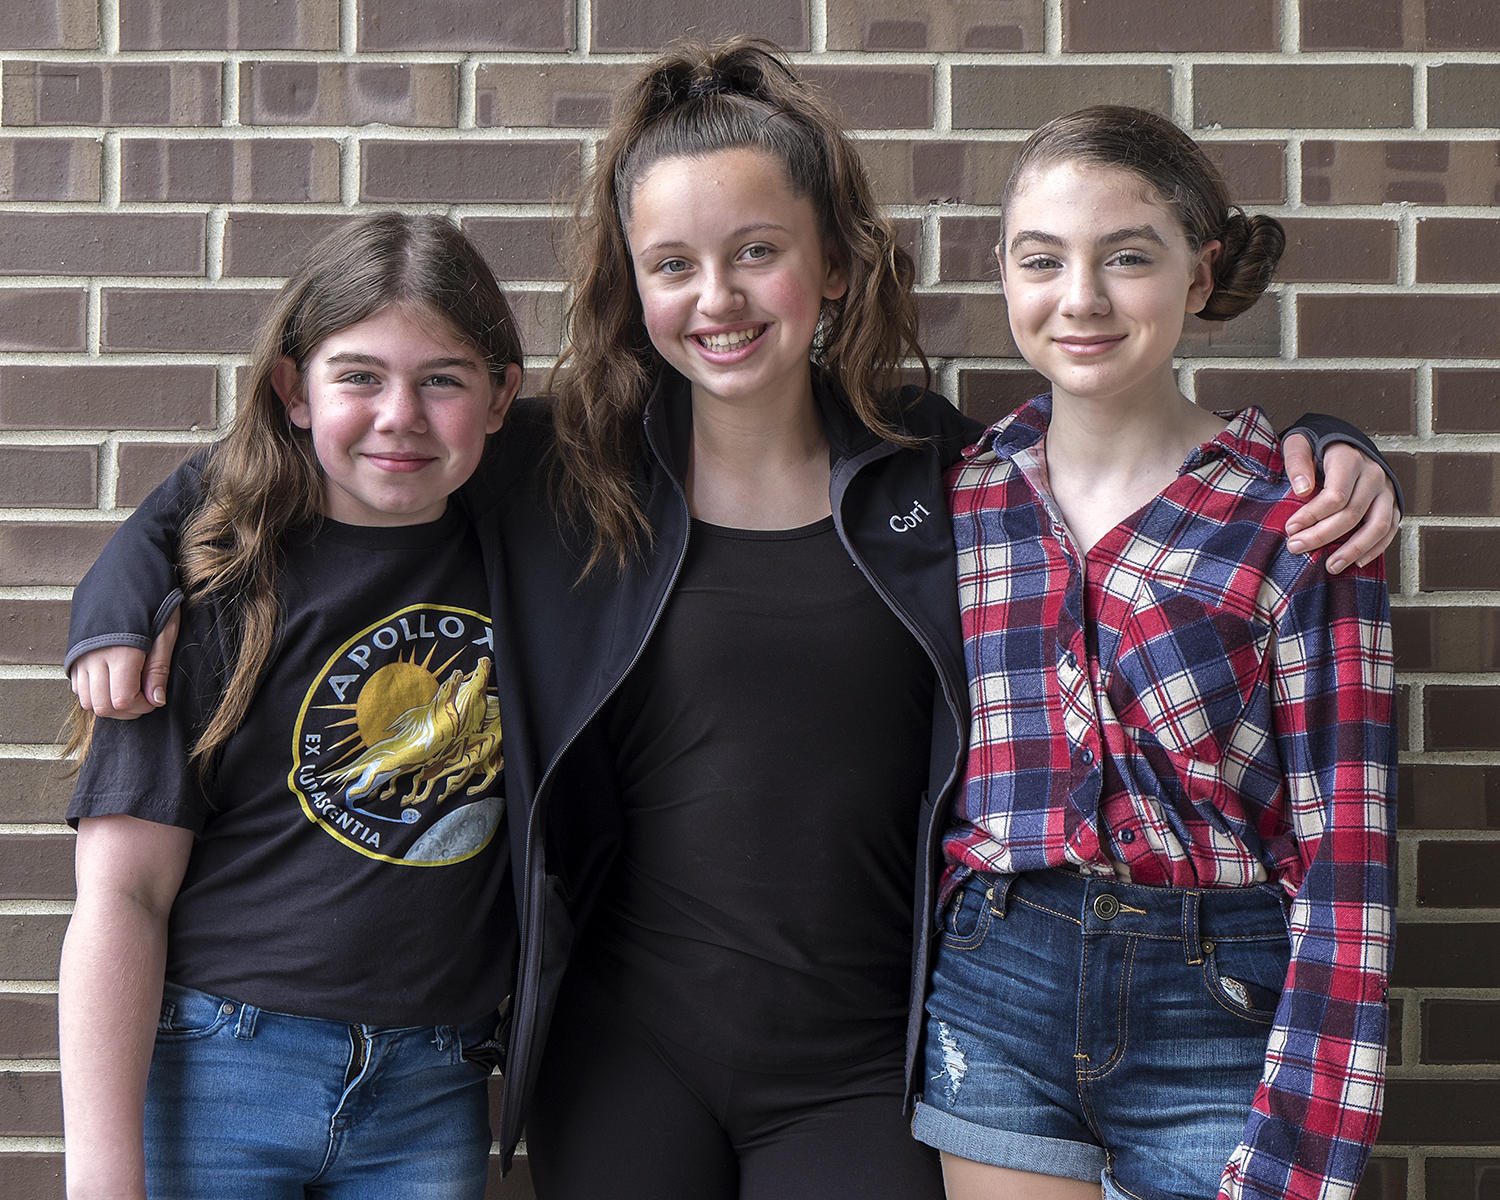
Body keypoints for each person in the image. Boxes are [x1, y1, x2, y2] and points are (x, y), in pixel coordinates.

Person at [62, 42, 1400, 1199]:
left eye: (757, 253)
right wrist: (120, 586)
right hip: (626, 1051)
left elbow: (1130, 469)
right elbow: (294, 462)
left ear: (829, 267)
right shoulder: (559, 466)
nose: (718, 298)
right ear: (635, 288)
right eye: (674, 265)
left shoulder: (946, 474)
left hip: (868, 1053)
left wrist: (1324, 451)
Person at [911, 106, 1397, 1200]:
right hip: (998, 981)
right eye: (1042, 260)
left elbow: (1349, 861)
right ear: (1002, 273)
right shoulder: (966, 495)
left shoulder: (1298, 516)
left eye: (1127, 257)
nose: (1080, 298)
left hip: (1218, 1003)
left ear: (1198, 271)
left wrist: (1307, 1153)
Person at [57, 213, 524, 1200]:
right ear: (293, 389)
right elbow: (122, 895)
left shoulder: (525, 558)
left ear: (499, 399)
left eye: (443, 378)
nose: (401, 413)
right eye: (359, 375)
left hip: (433, 1088)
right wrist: (102, 1178)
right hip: (222, 1068)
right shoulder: (214, 593)